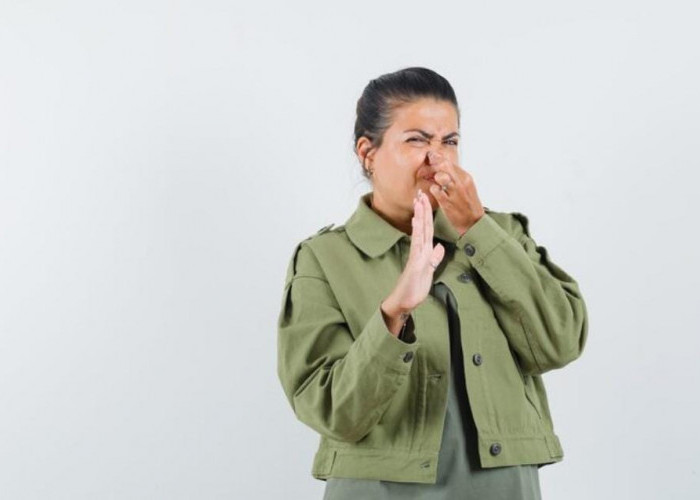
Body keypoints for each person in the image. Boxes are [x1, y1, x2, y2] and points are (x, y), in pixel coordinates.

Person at [276, 67, 588, 499]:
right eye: (417, 141)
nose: (437, 159)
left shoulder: (502, 236)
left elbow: (561, 341)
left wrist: (477, 230)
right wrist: (394, 314)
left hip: (501, 487)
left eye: (450, 142)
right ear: (368, 152)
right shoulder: (324, 259)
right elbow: (331, 411)